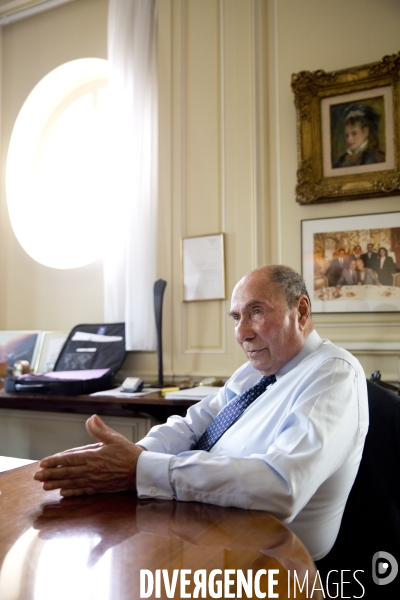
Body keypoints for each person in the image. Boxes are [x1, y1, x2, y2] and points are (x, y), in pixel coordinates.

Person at [34, 265, 368, 561]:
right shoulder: (258, 370)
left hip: (274, 562)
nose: (241, 333)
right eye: (237, 317)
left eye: (256, 312)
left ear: (302, 311)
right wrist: (137, 454)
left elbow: (281, 486)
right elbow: (192, 425)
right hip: (207, 531)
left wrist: (141, 470)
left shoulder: (333, 374)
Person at [333, 103, 385, 168]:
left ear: (365, 131)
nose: (349, 139)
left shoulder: (375, 157)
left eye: (354, 133)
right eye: (347, 135)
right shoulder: (342, 159)